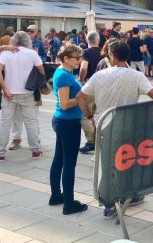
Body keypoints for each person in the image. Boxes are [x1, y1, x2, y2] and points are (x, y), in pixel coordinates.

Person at [76, 40, 153, 218]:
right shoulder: (135, 75)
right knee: (127, 160)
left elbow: (80, 97)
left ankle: (109, 203)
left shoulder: (99, 75)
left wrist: (89, 115)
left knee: (107, 163)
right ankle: (130, 194)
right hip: (128, 125)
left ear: (111, 55)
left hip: (104, 124)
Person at [49, 44, 88, 215]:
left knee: (59, 159)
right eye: (76, 58)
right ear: (66, 58)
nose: (79, 61)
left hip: (64, 121)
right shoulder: (64, 76)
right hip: (68, 122)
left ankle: (56, 196)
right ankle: (69, 203)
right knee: (69, 163)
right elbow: (65, 104)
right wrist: (82, 97)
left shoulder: (64, 73)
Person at [0, 31, 44, 162]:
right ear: (27, 41)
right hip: (27, 92)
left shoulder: (6, 53)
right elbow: (41, 70)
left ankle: (1, 153)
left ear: (13, 40)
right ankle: (35, 151)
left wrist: (4, 88)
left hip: (9, 93)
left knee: (5, 123)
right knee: (30, 122)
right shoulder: (32, 53)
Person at [78, 31, 101, 154]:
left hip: (91, 85)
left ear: (87, 41)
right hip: (103, 86)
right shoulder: (104, 51)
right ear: (98, 40)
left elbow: (84, 67)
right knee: (99, 114)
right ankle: (99, 139)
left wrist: (81, 80)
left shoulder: (86, 52)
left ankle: (91, 141)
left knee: (85, 115)